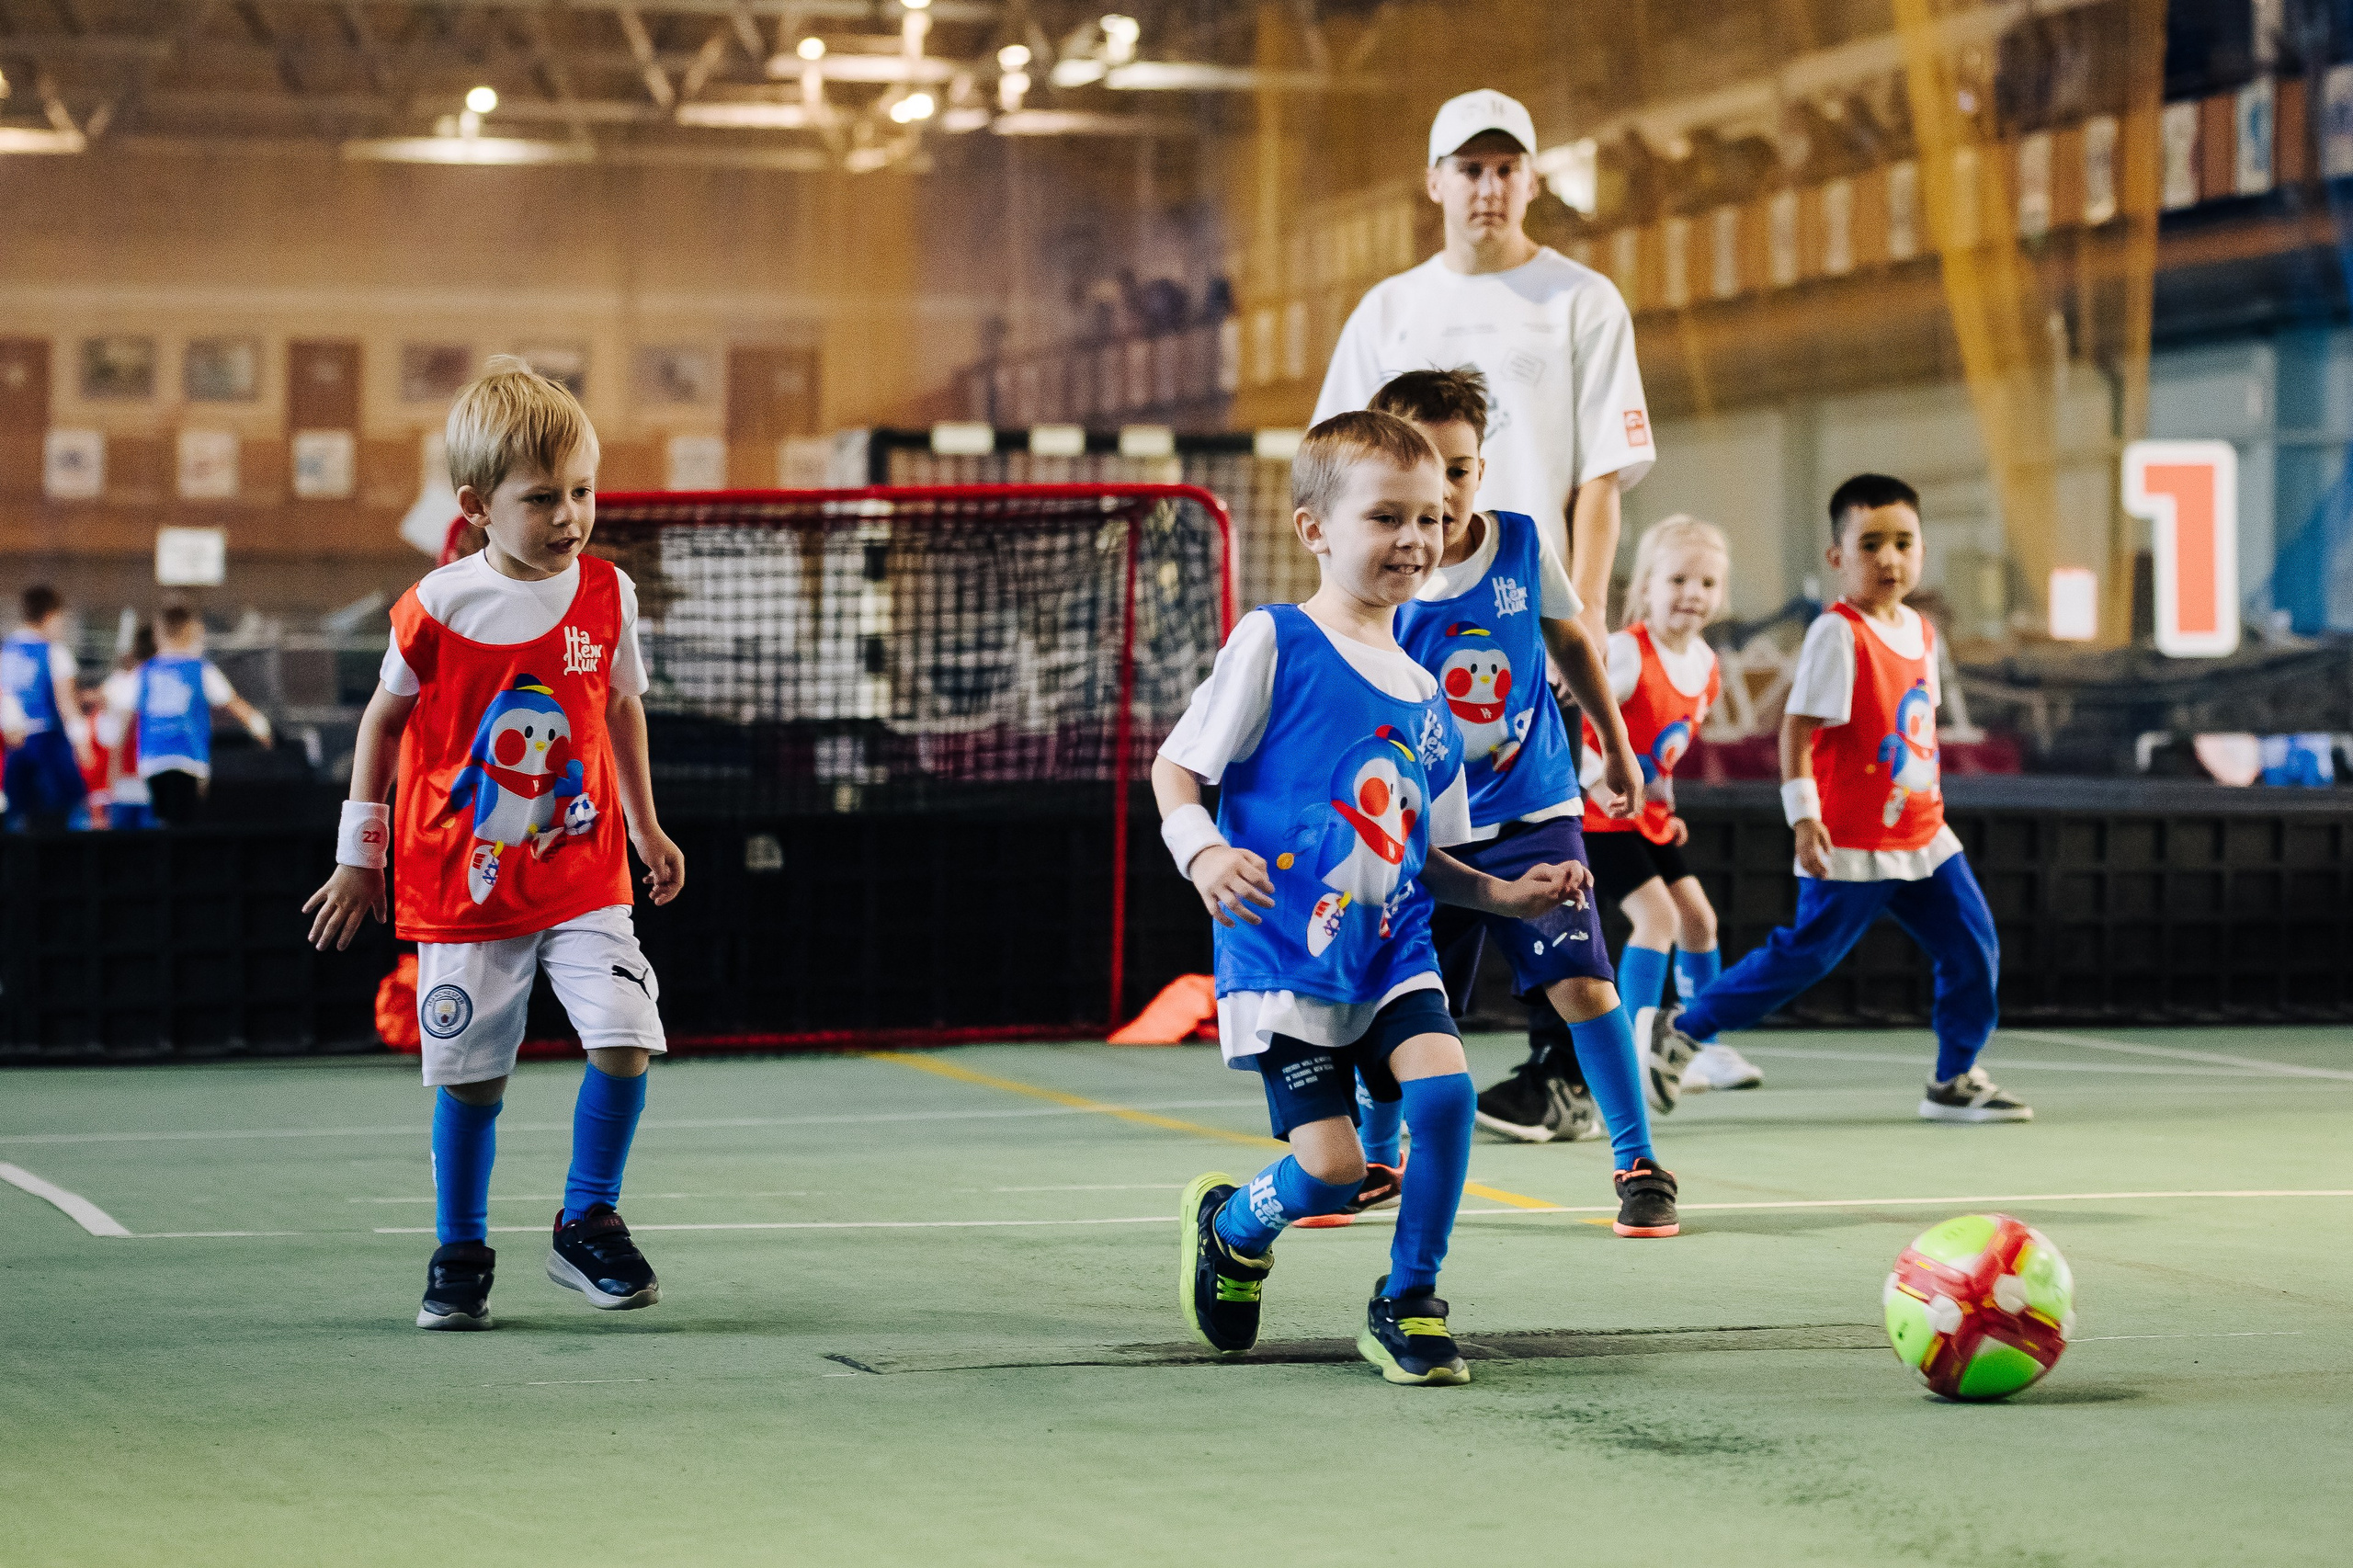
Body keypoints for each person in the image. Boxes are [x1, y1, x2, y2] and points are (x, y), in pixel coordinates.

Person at [1153, 409, 1586, 1386]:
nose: (1414, 540)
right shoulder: (1276, 641)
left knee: (1443, 1095)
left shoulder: (1426, 692)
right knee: (1335, 1171)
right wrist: (1204, 851)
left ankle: (1409, 1297)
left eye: (1429, 518)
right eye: (1385, 516)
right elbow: (1175, 772)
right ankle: (1233, 1226)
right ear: (1315, 529)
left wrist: (1510, 897)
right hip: (1284, 951)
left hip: (1393, 945)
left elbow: (1429, 856)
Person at [302, 356, 689, 1331]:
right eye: (543, 498)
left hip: (585, 869)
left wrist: (645, 822)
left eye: (583, 492)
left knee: (625, 1031)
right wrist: (362, 852)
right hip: (464, 885)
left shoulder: (609, 594)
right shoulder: (437, 606)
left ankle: (586, 1215)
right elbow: (381, 726)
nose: (570, 515)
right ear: (476, 505)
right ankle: (460, 1245)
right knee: (472, 1073)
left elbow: (620, 709)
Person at [1313, 86, 1657, 1113]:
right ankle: (1385, 1112)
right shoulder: (1387, 311)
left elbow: (1601, 471)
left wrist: (1576, 610)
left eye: (1508, 166)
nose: (1490, 185)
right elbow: (1341, 476)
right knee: (1414, 884)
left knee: (1551, 854)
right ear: (1435, 182)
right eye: (1470, 167)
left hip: (1516, 618)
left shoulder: (1581, 298)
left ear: (1533, 179)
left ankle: (1572, 1089)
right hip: (1410, 632)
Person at [1370, 368, 1680, 1239]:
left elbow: (1570, 637)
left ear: (1481, 466)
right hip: (1425, 836)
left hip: (1536, 808)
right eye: (1424, 464)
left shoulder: (1517, 543)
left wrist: (1616, 749)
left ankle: (1638, 1161)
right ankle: (1376, 1154)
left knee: (1582, 979)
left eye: (1461, 466)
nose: (1447, 485)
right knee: (1402, 1007)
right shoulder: (1382, 580)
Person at [1643, 475, 2026, 1123]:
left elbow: (1914, 732)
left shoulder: (1925, 634)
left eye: (1903, 542)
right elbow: (1798, 729)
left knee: (1973, 946)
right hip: (1851, 838)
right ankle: (1680, 1032)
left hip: (1925, 836)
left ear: (1922, 551)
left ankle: (1953, 1079)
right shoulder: (1837, 635)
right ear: (1837, 558)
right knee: (1805, 957)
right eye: (1870, 543)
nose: (1888, 557)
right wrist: (1804, 818)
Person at [1580, 516, 1764, 1098]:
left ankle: (1700, 1045)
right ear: (1647, 585)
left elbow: (1661, 756)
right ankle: (1636, 1051)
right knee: (1656, 918)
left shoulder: (1707, 667)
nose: (1692, 593)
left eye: (1707, 583)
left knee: (1699, 921)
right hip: (1598, 817)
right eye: (1678, 579)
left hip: (1645, 816)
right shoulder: (1625, 655)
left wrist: (1665, 803)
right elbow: (1576, 729)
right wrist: (1594, 783)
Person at [119, 605, 275, 827]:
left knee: (161, 820)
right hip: (189, 758)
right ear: (191, 633)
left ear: (158, 633)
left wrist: (115, 764)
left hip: (153, 760)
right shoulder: (201, 670)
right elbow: (237, 706)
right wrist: (263, 730)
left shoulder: (144, 672)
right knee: (186, 820)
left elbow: (124, 720)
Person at [2, 585, 96, 832]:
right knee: (71, 809)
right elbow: (66, 703)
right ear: (50, 616)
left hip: (16, 745)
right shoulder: (53, 652)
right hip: (48, 742)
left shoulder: (6, 652)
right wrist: (82, 742)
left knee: (21, 816)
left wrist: (9, 725)